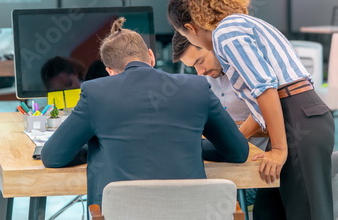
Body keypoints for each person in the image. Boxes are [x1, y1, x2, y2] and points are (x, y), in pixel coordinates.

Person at [168, 0, 335, 220]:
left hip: (298, 118)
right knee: (267, 212)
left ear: (190, 29)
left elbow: (264, 88)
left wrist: (278, 149)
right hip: (300, 115)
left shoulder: (225, 32)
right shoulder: (241, 24)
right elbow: (262, 101)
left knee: (306, 213)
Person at [41, 17, 249, 207]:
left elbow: (52, 156)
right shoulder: (197, 87)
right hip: (189, 212)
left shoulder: (94, 93)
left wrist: (96, 147)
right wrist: (192, 144)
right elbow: (238, 151)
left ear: (110, 72)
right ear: (151, 56)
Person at [172, 30, 268, 150]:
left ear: (211, 44)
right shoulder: (206, 80)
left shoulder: (248, 70)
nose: (200, 72)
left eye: (200, 61)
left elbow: (272, 118)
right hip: (221, 156)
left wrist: (234, 137)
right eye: (193, 67)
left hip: (254, 157)